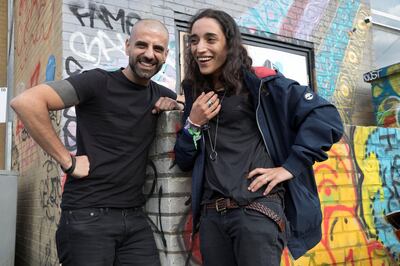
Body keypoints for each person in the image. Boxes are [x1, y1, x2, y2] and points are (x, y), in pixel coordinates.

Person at [174, 9, 343, 266]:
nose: (200, 48)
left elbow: (326, 116)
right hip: (211, 218)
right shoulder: (195, 94)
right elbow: (185, 159)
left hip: (254, 211)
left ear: (229, 44)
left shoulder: (261, 84)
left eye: (210, 39)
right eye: (194, 40)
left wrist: (290, 167)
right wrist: (193, 123)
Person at [11, 19, 183, 266]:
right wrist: (67, 160)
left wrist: (174, 105)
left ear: (166, 55)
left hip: (134, 219)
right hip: (87, 216)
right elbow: (27, 102)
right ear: (127, 46)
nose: (149, 54)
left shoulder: (160, 94)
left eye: (157, 49)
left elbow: (191, 107)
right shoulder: (98, 82)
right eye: (141, 45)